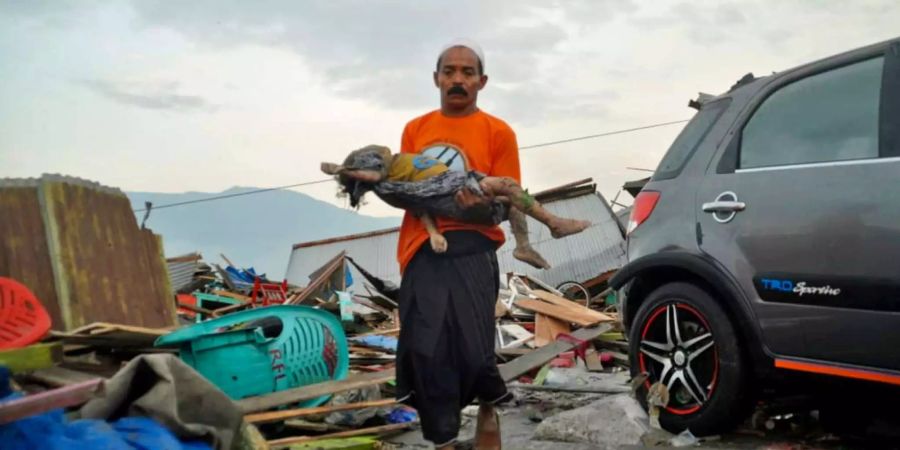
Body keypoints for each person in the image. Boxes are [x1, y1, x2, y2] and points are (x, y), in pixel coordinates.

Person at [392, 39, 539, 450]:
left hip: (474, 249)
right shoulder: (415, 129)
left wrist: (475, 211)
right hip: (423, 248)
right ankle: (443, 441)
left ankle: (489, 410)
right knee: (426, 350)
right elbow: (407, 189)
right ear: (436, 78)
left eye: (467, 72)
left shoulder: (498, 132)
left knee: (475, 354)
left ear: (482, 81)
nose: (458, 79)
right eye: (450, 71)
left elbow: (505, 202)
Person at [319, 145, 590, 269]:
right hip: (449, 188)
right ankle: (555, 224)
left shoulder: (397, 178)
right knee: (507, 184)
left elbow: (418, 207)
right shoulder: (386, 183)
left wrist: (434, 233)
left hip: (451, 183)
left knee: (515, 200)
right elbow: (414, 200)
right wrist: (344, 170)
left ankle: (523, 246)